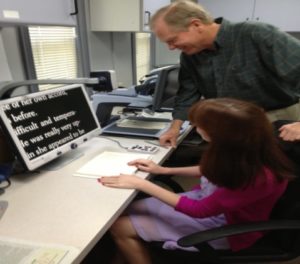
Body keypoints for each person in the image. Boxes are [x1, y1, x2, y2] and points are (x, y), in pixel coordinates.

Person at [100, 98, 295, 264]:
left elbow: (199, 210)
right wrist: (163, 169)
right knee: (124, 210)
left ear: (221, 133)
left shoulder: (258, 176)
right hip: (211, 204)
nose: (195, 127)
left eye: (200, 125)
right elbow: (211, 170)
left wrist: (142, 184)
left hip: (226, 226)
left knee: (119, 225)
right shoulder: (246, 147)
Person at [149, 0, 300, 147]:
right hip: (229, 124)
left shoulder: (256, 34)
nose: (171, 47)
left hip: (278, 121)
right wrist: (174, 129)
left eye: (173, 40)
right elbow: (187, 95)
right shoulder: (190, 55)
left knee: (274, 171)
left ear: (196, 25)